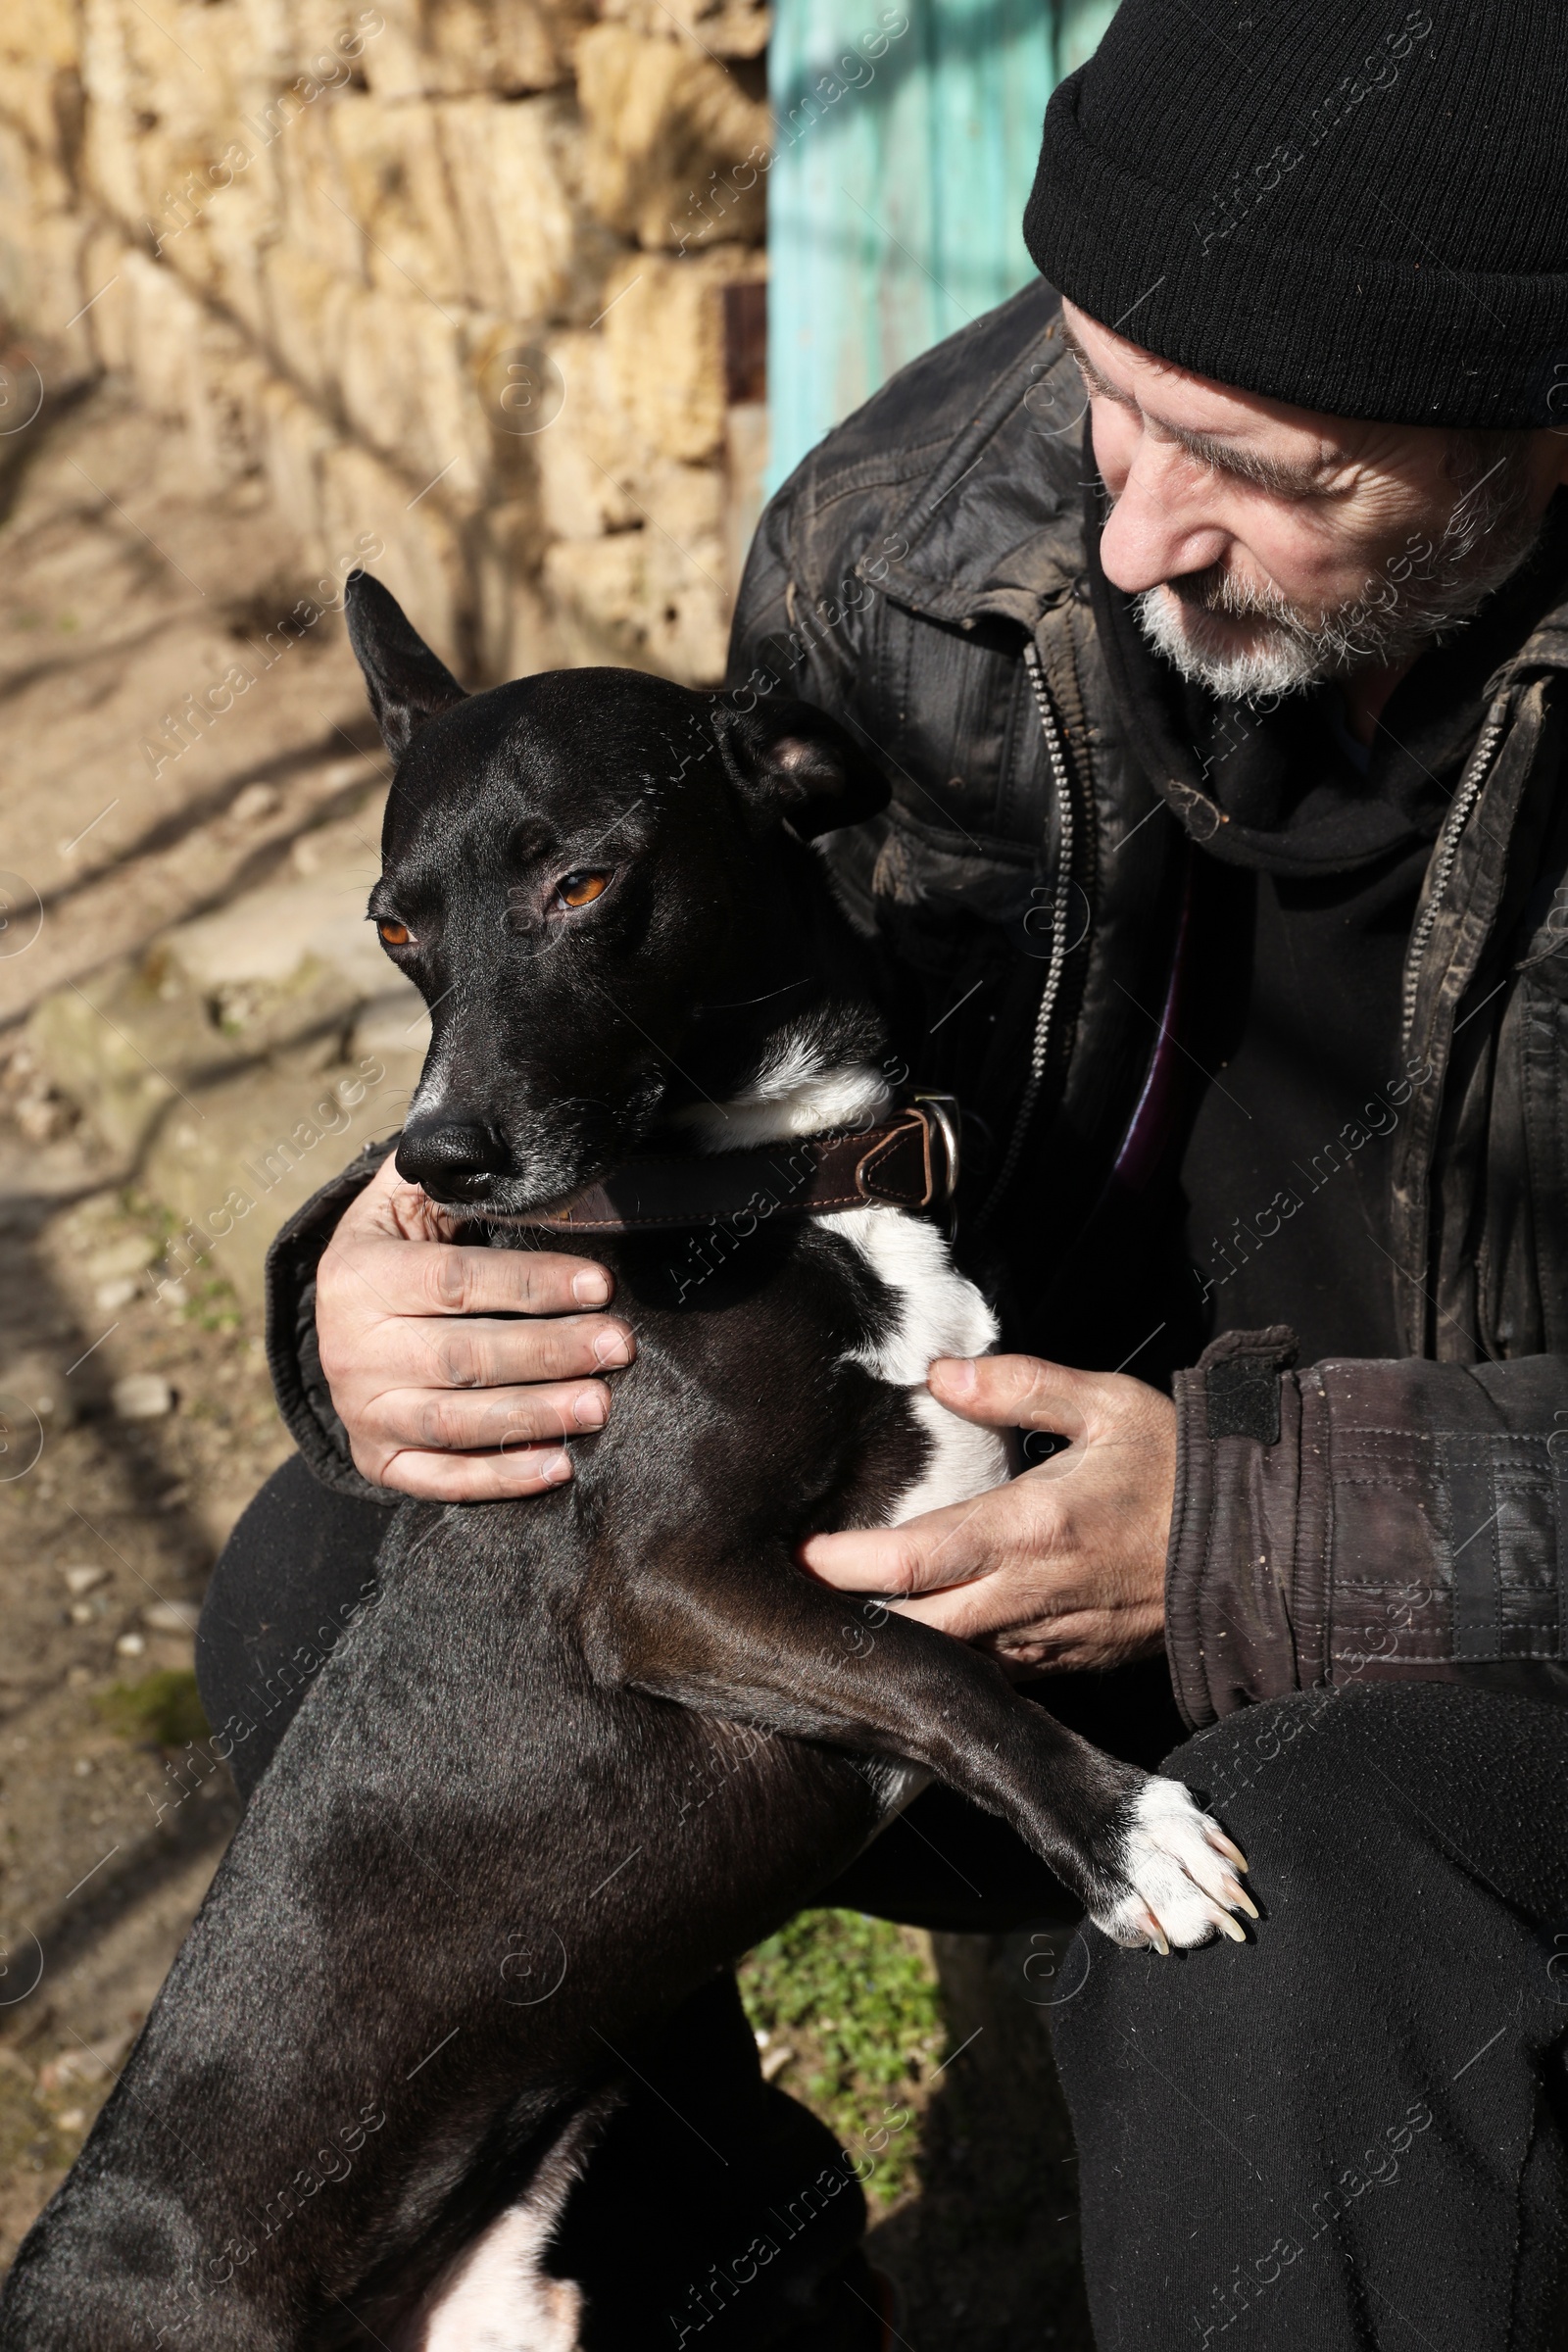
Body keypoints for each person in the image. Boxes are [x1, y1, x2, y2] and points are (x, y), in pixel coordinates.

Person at [198, 2, 1568, 2342]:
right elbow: (717, 1004)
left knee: (1302, 1922)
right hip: (978, 1529)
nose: (1130, 525)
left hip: (1473, 1646)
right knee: (332, 1586)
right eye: (1103, 388)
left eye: (1271, 472)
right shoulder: (916, 528)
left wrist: (1249, 1524)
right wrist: (373, 1277)